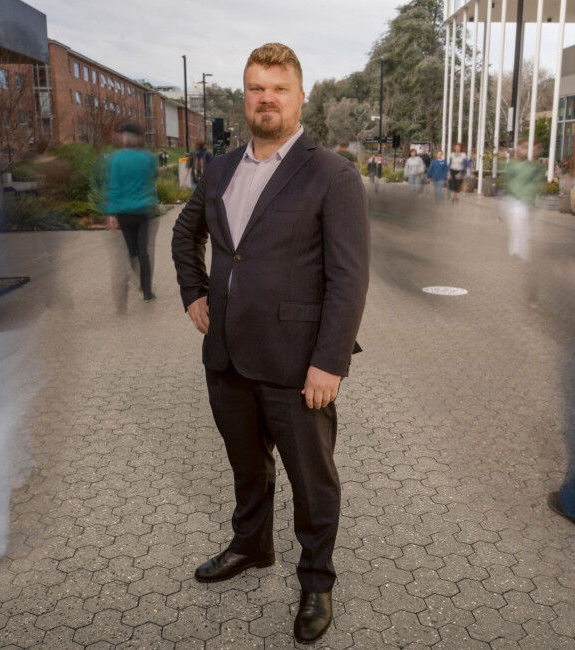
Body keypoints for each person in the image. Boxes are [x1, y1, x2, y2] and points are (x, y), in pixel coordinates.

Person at [172, 43, 369, 644]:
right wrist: (194, 292)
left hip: (296, 363)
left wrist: (328, 363)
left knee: (313, 479)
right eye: (256, 88)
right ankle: (252, 545)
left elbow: (348, 277)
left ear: (299, 95)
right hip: (227, 355)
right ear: (245, 95)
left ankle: (316, 579)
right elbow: (187, 233)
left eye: (278, 88)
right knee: (246, 464)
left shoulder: (331, 173)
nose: (266, 99)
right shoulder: (223, 168)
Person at [104, 123, 159, 301]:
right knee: (144, 251)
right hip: (144, 211)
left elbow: (114, 187)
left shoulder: (116, 159)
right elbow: (152, 179)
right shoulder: (149, 158)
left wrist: (111, 213)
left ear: (126, 137)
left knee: (132, 252)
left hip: (124, 213)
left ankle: (137, 280)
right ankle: (147, 290)